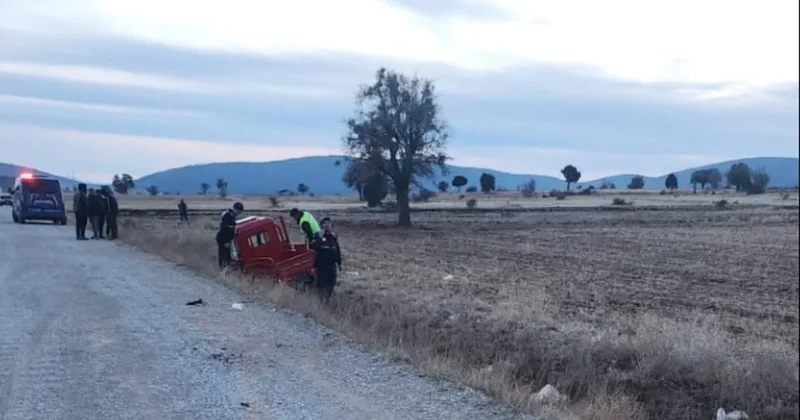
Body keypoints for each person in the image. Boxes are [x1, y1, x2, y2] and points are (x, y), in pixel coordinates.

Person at [310, 217, 342, 302]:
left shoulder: (333, 236)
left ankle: (327, 299)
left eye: (328, 223)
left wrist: (339, 262)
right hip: (321, 265)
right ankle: (320, 301)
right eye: (324, 223)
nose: (327, 225)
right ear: (321, 226)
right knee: (321, 284)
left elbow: (337, 250)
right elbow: (313, 247)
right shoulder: (317, 235)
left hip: (332, 264)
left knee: (332, 282)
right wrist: (320, 238)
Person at [216, 202, 244, 269]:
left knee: (227, 257)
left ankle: (224, 270)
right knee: (224, 257)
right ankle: (223, 271)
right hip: (223, 239)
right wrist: (226, 241)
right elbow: (224, 229)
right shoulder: (228, 215)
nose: (239, 213)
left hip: (226, 239)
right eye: (239, 211)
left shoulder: (231, 216)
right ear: (235, 209)